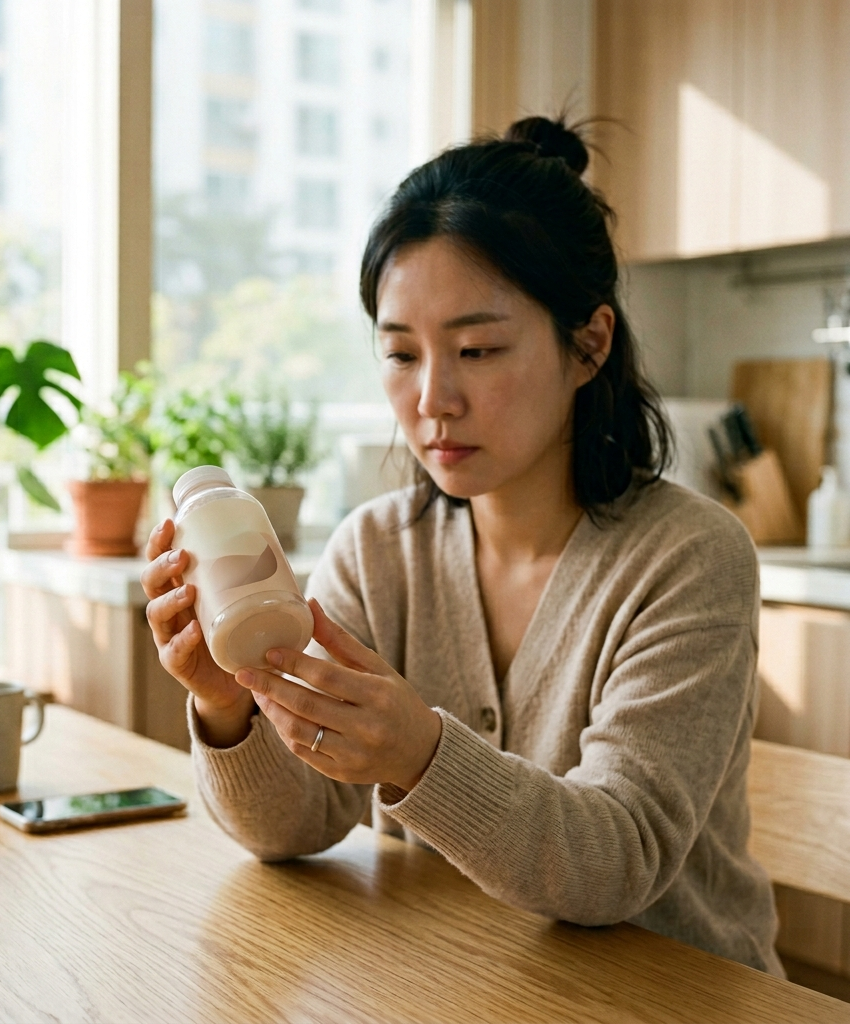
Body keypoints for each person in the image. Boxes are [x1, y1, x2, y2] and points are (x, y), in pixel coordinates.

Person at [141, 116, 783, 976]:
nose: (433, 399)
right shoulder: (378, 550)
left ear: (589, 343)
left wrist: (420, 755)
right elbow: (298, 828)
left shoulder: (691, 559)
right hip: (463, 986)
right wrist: (231, 708)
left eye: (477, 349)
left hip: (676, 996)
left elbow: (617, 859)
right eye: (401, 354)